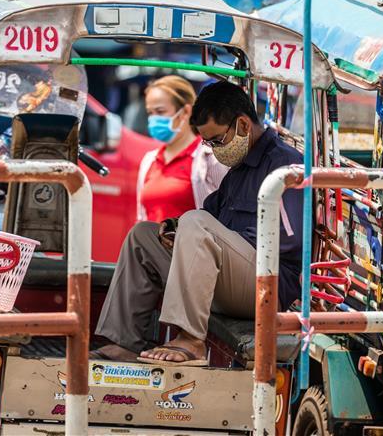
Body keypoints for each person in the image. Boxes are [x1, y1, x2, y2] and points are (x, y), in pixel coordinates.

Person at [92, 81, 303, 365]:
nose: (214, 150)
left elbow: (286, 243)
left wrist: (203, 234)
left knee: (196, 223)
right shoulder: (238, 168)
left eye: (217, 140)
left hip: (266, 285)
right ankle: (124, 340)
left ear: (242, 124)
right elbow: (210, 214)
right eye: (207, 143)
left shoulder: (284, 165)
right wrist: (175, 229)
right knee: (143, 235)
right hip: (225, 277)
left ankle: (191, 340)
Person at [137, 76, 226, 223]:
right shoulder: (149, 161)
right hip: (152, 244)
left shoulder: (210, 157)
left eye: (160, 111)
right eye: (150, 113)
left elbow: (227, 214)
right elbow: (141, 218)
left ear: (185, 112)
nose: (153, 120)